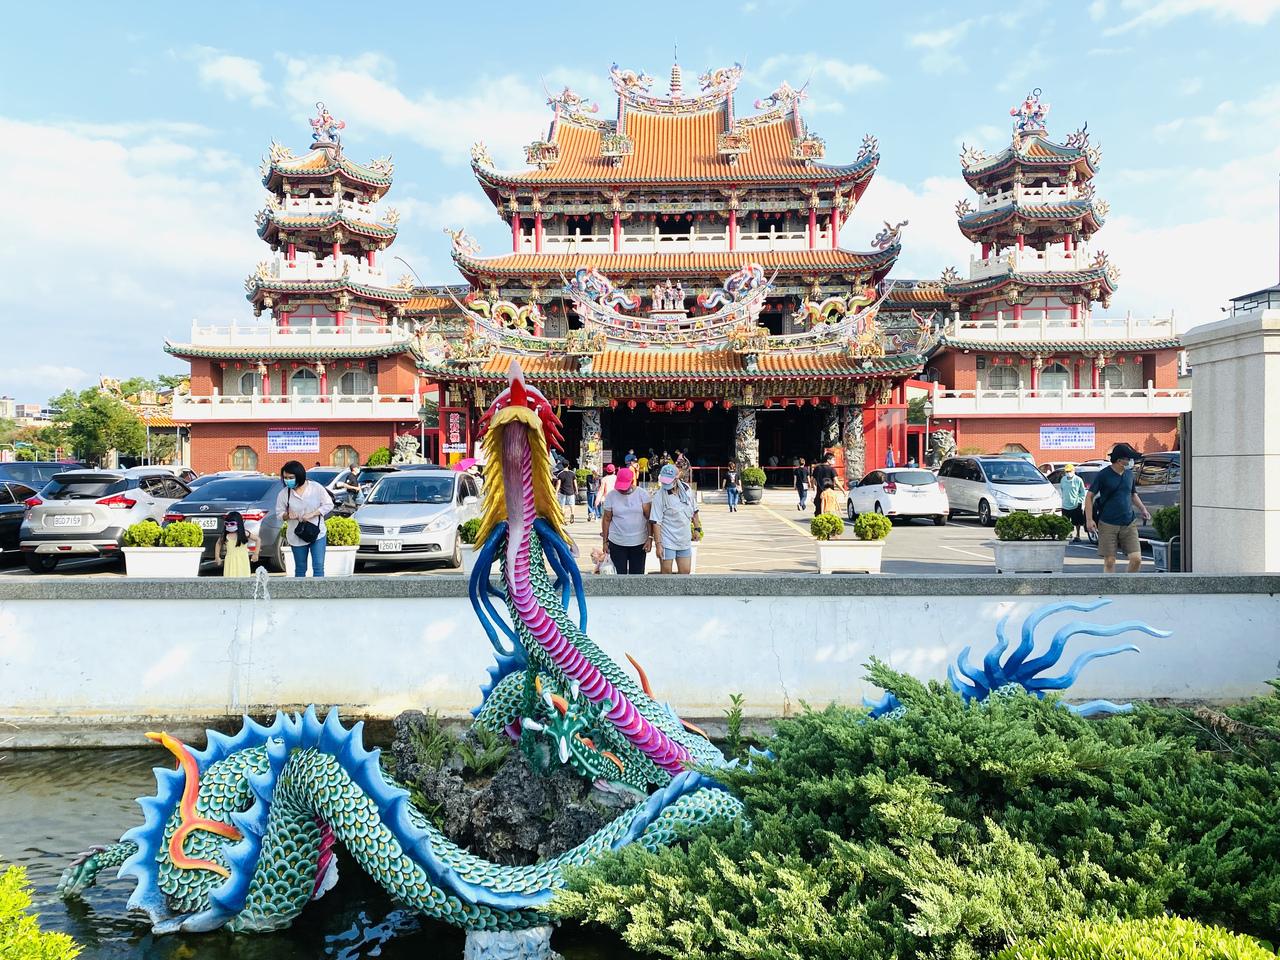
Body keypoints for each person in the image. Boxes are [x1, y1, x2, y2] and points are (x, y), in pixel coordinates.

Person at [1084, 443, 1150, 573]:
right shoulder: (1103, 475)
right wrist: (1089, 520)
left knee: (1136, 559)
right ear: (1119, 461)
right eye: (1128, 459)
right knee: (1109, 561)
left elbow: (1133, 494)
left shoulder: (1129, 474)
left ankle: (1127, 583)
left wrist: (1143, 509)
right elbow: (1089, 496)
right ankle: (1110, 585)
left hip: (1128, 522)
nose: (1130, 461)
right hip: (1108, 523)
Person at [276, 460, 329, 578]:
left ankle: (318, 589)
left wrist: (313, 514)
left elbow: (328, 505)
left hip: (317, 532)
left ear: (299, 476)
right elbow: (279, 514)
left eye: (291, 477)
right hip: (297, 534)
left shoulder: (316, 488)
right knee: (300, 567)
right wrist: (287, 515)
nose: (288, 480)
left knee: (318, 566)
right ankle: (300, 589)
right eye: (285, 478)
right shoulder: (284, 493)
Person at [651, 463, 701, 575]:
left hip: (684, 538)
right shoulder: (659, 496)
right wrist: (658, 545)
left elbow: (694, 510)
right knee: (666, 572)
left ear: (677, 478)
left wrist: (697, 529)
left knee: (685, 572)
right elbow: (656, 522)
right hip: (667, 540)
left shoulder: (687, 489)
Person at [601, 466, 652, 575]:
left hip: (639, 542)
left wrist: (650, 538)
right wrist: (605, 542)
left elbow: (649, 518)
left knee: (637, 575)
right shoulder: (611, 496)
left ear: (632, 481)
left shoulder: (642, 494)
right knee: (618, 575)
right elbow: (606, 519)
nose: (622, 490)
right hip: (617, 542)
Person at [213, 510, 259, 577]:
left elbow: (258, 540)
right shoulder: (225, 535)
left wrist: (256, 554)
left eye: (232, 524)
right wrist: (217, 557)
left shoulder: (245, 533)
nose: (229, 526)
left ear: (238, 523)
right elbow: (218, 544)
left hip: (242, 561)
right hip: (230, 561)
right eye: (226, 524)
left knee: (243, 578)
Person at [1058, 463, 1088, 543]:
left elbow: (1082, 492)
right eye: (1067, 471)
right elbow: (1062, 489)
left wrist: (1079, 501)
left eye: (1069, 471)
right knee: (1065, 521)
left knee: (1077, 522)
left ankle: (1077, 535)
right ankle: (1065, 534)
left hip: (1075, 505)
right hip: (1065, 504)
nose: (1068, 473)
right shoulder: (1063, 479)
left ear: (1073, 471)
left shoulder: (1078, 480)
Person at [811, 453, 837, 518]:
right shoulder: (832, 469)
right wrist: (843, 490)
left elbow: (812, 480)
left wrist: (813, 486)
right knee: (829, 510)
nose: (834, 461)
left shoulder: (817, 468)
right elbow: (836, 481)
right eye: (833, 459)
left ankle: (819, 521)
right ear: (828, 460)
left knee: (819, 511)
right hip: (829, 493)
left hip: (819, 493)